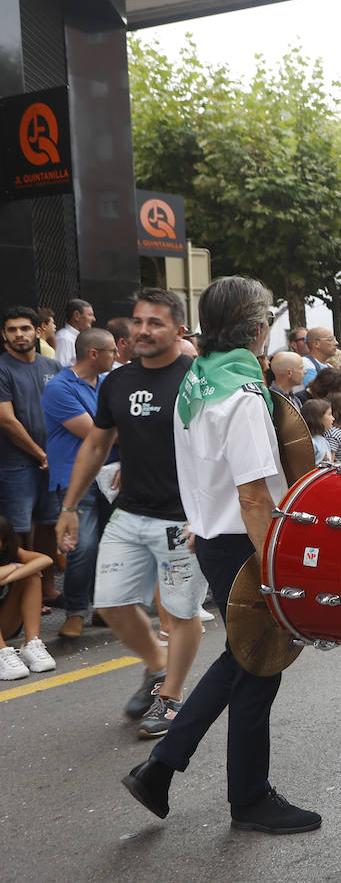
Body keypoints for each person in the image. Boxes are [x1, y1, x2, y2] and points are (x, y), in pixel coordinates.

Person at [120, 276, 319, 835]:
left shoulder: (197, 381)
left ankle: (160, 770)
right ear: (257, 328)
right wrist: (276, 567)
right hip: (244, 543)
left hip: (212, 537)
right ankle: (248, 799)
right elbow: (255, 494)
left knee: (242, 658)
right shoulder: (242, 393)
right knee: (258, 668)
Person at [55, 289, 210, 740]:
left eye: (155, 323)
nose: (143, 330)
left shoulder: (197, 381)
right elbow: (98, 443)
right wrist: (69, 506)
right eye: (138, 321)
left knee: (181, 613)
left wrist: (206, 516)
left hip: (182, 520)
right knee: (112, 604)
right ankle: (158, 666)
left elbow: (215, 454)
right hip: (130, 513)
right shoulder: (117, 382)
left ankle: (170, 698)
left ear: (178, 331)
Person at [41, 326, 118, 639]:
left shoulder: (107, 383)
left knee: (110, 546)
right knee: (82, 547)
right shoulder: (60, 387)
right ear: (94, 353)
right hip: (77, 478)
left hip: (109, 475)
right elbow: (93, 433)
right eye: (112, 350)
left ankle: (103, 607)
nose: (117, 355)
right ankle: (75, 611)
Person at [0, 306, 63, 606]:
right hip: (16, 464)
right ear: (4, 335)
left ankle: (48, 588)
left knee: (49, 522)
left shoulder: (52, 367)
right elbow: (6, 419)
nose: (19, 335)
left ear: (37, 331)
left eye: (24, 328)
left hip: (51, 462)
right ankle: (24, 594)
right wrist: (40, 453)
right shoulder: (2, 369)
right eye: (12, 330)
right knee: (19, 529)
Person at [0, 514, 56, 679]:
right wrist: (16, 567)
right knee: (29, 570)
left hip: (5, 624)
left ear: (4, 543)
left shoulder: (12, 553)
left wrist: (13, 571)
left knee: (32, 576)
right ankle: (2, 652)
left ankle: (32, 645)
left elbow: (46, 560)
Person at [55, 298, 95, 367]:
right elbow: (60, 367)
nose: (93, 319)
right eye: (90, 315)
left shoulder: (79, 337)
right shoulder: (64, 338)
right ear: (77, 315)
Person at [300, 398, 333, 465]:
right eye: (329, 414)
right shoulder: (311, 443)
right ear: (317, 418)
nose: (333, 418)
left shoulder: (324, 441)